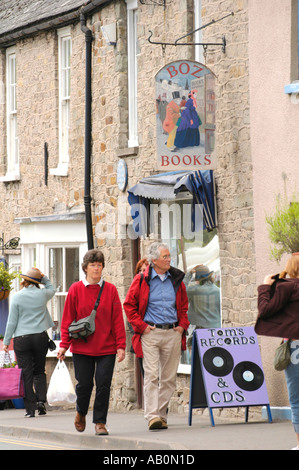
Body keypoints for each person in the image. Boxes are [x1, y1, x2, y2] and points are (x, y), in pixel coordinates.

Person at [57, 249, 126, 436]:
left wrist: (121, 345)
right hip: (82, 347)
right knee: (85, 384)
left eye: (99, 265)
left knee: (103, 384)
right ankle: (81, 412)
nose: (96, 268)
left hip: (106, 347)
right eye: (93, 265)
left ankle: (100, 423)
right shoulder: (75, 290)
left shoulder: (110, 290)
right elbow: (67, 320)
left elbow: (117, 320)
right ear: (85, 268)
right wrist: (64, 345)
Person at [124, 242, 189, 431]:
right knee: (152, 375)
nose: (169, 259)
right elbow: (129, 305)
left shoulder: (176, 279)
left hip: (173, 333)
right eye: (165, 257)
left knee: (168, 378)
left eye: (169, 256)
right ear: (154, 261)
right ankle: (152, 416)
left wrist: (183, 326)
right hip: (150, 334)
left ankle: (160, 414)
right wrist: (142, 327)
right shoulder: (141, 280)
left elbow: (184, 306)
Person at [256, 254, 299, 450]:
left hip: (295, 348)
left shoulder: (286, 287)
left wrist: (266, 286)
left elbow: (265, 310)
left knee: (297, 398)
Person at [2, 267, 55, 417]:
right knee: (39, 370)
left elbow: (12, 322)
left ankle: (30, 409)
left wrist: (6, 342)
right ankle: (41, 402)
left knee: (26, 374)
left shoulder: (17, 297)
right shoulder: (43, 294)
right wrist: (43, 278)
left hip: (22, 339)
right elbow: (51, 288)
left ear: (24, 281)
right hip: (40, 337)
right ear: (37, 282)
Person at [185, 264, 221, 348]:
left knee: (199, 358)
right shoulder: (218, 291)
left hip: (201, 332)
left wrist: (189, 274)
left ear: (198, 278)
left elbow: (181, 289)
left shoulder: (195, 290)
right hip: (216, 331)